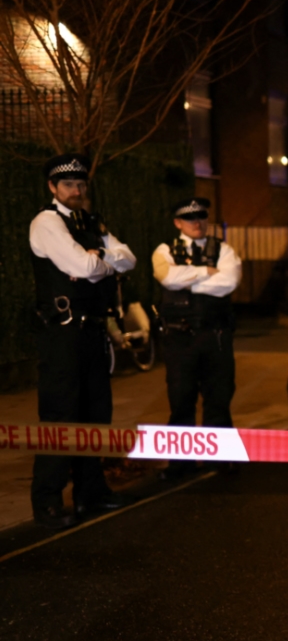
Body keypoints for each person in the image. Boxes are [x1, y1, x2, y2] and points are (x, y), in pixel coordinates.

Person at [29, 153, 138, 529]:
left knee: (96, 414)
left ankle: (91, 492)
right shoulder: (47, 222)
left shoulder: (90, 222)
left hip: (92, 331)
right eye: (68, 184)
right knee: (61, 416)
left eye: (80, 184)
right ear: (52, 187)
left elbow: (129, 258)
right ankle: (47, 501)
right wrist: (102, 264)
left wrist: (100, 256)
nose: (76, 190)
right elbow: (82, 266)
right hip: (62, 334)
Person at [152, 198, 242, 478]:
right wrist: (205, 272)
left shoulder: (224, 250)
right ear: (178, 223)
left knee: (218, 399)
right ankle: (181, 464)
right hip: (180, 340)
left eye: (201, 217)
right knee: (181, 401)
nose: (197, 223)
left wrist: (187, 281)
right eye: (190, 218)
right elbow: (168, 278)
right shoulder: (165, 250)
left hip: (216, 337)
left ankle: (220, 460)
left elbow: (228, 282)